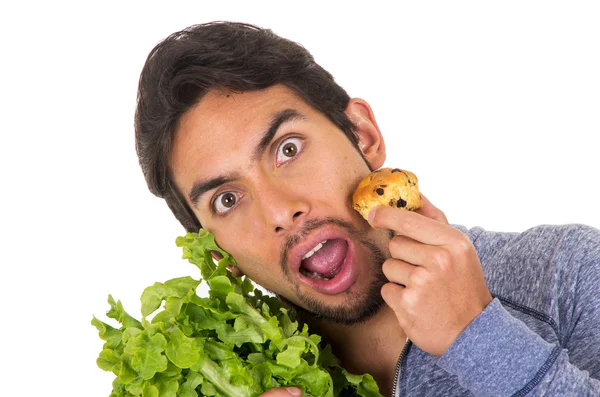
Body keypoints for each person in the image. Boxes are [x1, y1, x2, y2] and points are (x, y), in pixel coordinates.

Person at [134, 21, 600, 396]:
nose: (279, 211)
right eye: (228, 200)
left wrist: (477, 338)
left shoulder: (568, 272)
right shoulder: (227, 383)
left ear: (364, 136)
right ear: (220, 258)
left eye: (288, 148)